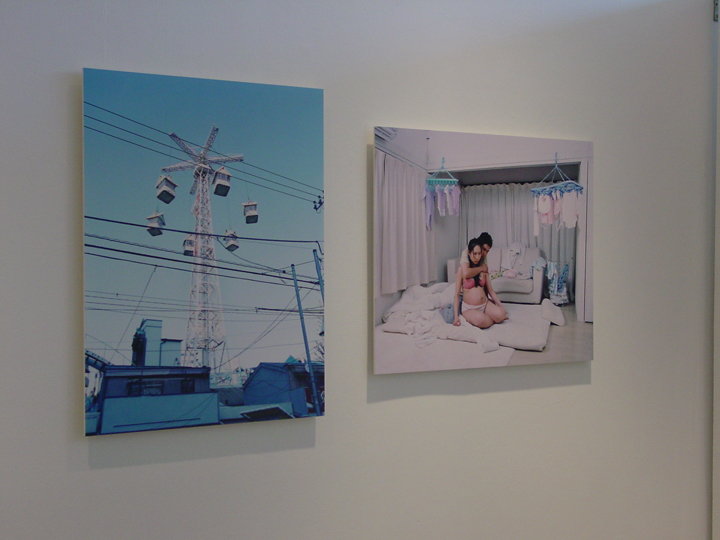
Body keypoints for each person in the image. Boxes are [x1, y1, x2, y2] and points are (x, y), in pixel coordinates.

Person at [453, 236, 507, 329]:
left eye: (479, 254)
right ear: (469, 253)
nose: (478, 257)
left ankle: (488, 317)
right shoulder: (462, 270)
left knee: (501, 314)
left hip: (484, 304)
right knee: (480, 320)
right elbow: (457, 295)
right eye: (475, 254)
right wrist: (456, 317)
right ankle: (486, 319)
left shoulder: (483, 267)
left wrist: (501, 307)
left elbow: (491, 291)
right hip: (469, 308)